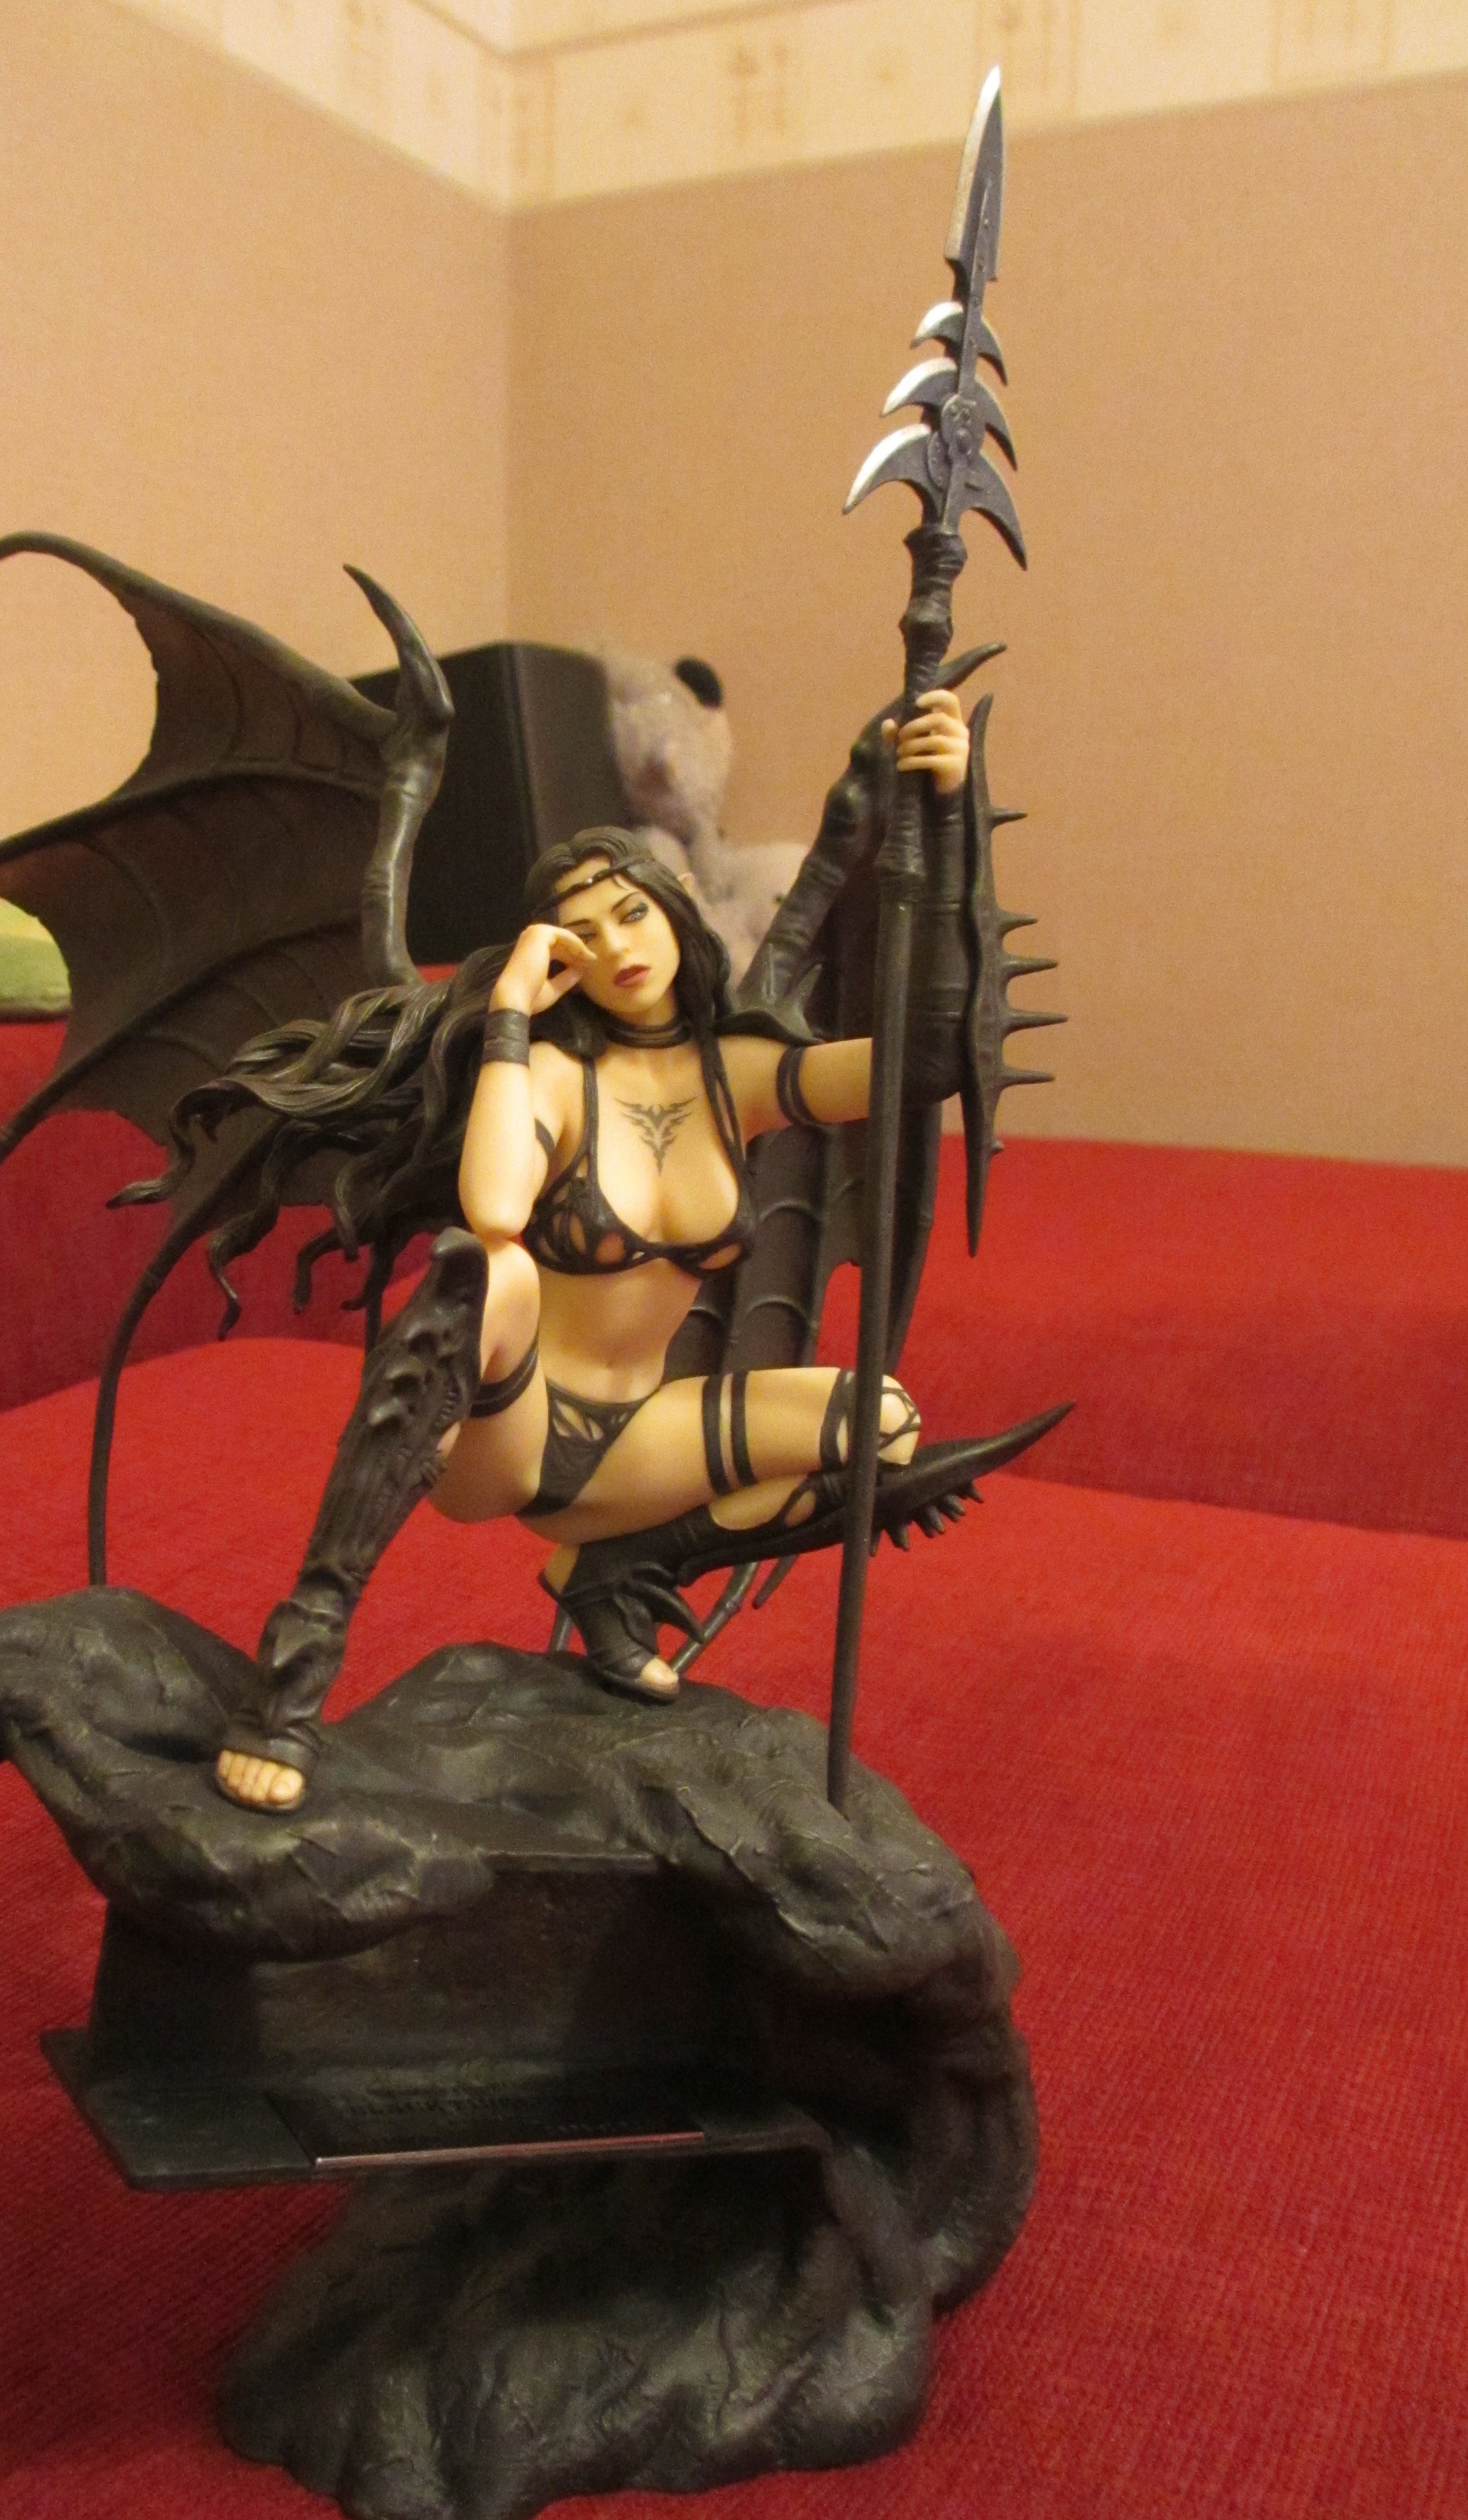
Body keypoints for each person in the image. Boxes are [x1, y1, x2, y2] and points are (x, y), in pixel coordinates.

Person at [177, 692, 1001, 1811]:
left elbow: (927, 1063)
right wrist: (511, 1017)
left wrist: (944, 820)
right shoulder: (558, 1075)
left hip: (642, 1443)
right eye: (585, 931)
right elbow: (494, 1204)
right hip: (513, 1435)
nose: (617, 946)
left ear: (674, 912)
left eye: (631, 913)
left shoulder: (738, 1075)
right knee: (491, 1268)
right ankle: (300, 1658)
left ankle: (617, 1568)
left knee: (883, 1427)